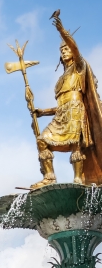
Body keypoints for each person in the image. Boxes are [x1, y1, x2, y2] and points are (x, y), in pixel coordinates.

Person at [33, 15, 102, 188]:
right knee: (42, 140)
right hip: (63, 113)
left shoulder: (79, 68)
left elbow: (75, 48)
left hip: (76, 112)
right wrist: (43, 112)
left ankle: (79, 179)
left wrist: (61, 31)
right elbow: (62, 104)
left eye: (66, 49)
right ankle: (49, 177)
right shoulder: (61, 79)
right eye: (61, 50)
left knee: (76, 145)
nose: (64, 52)